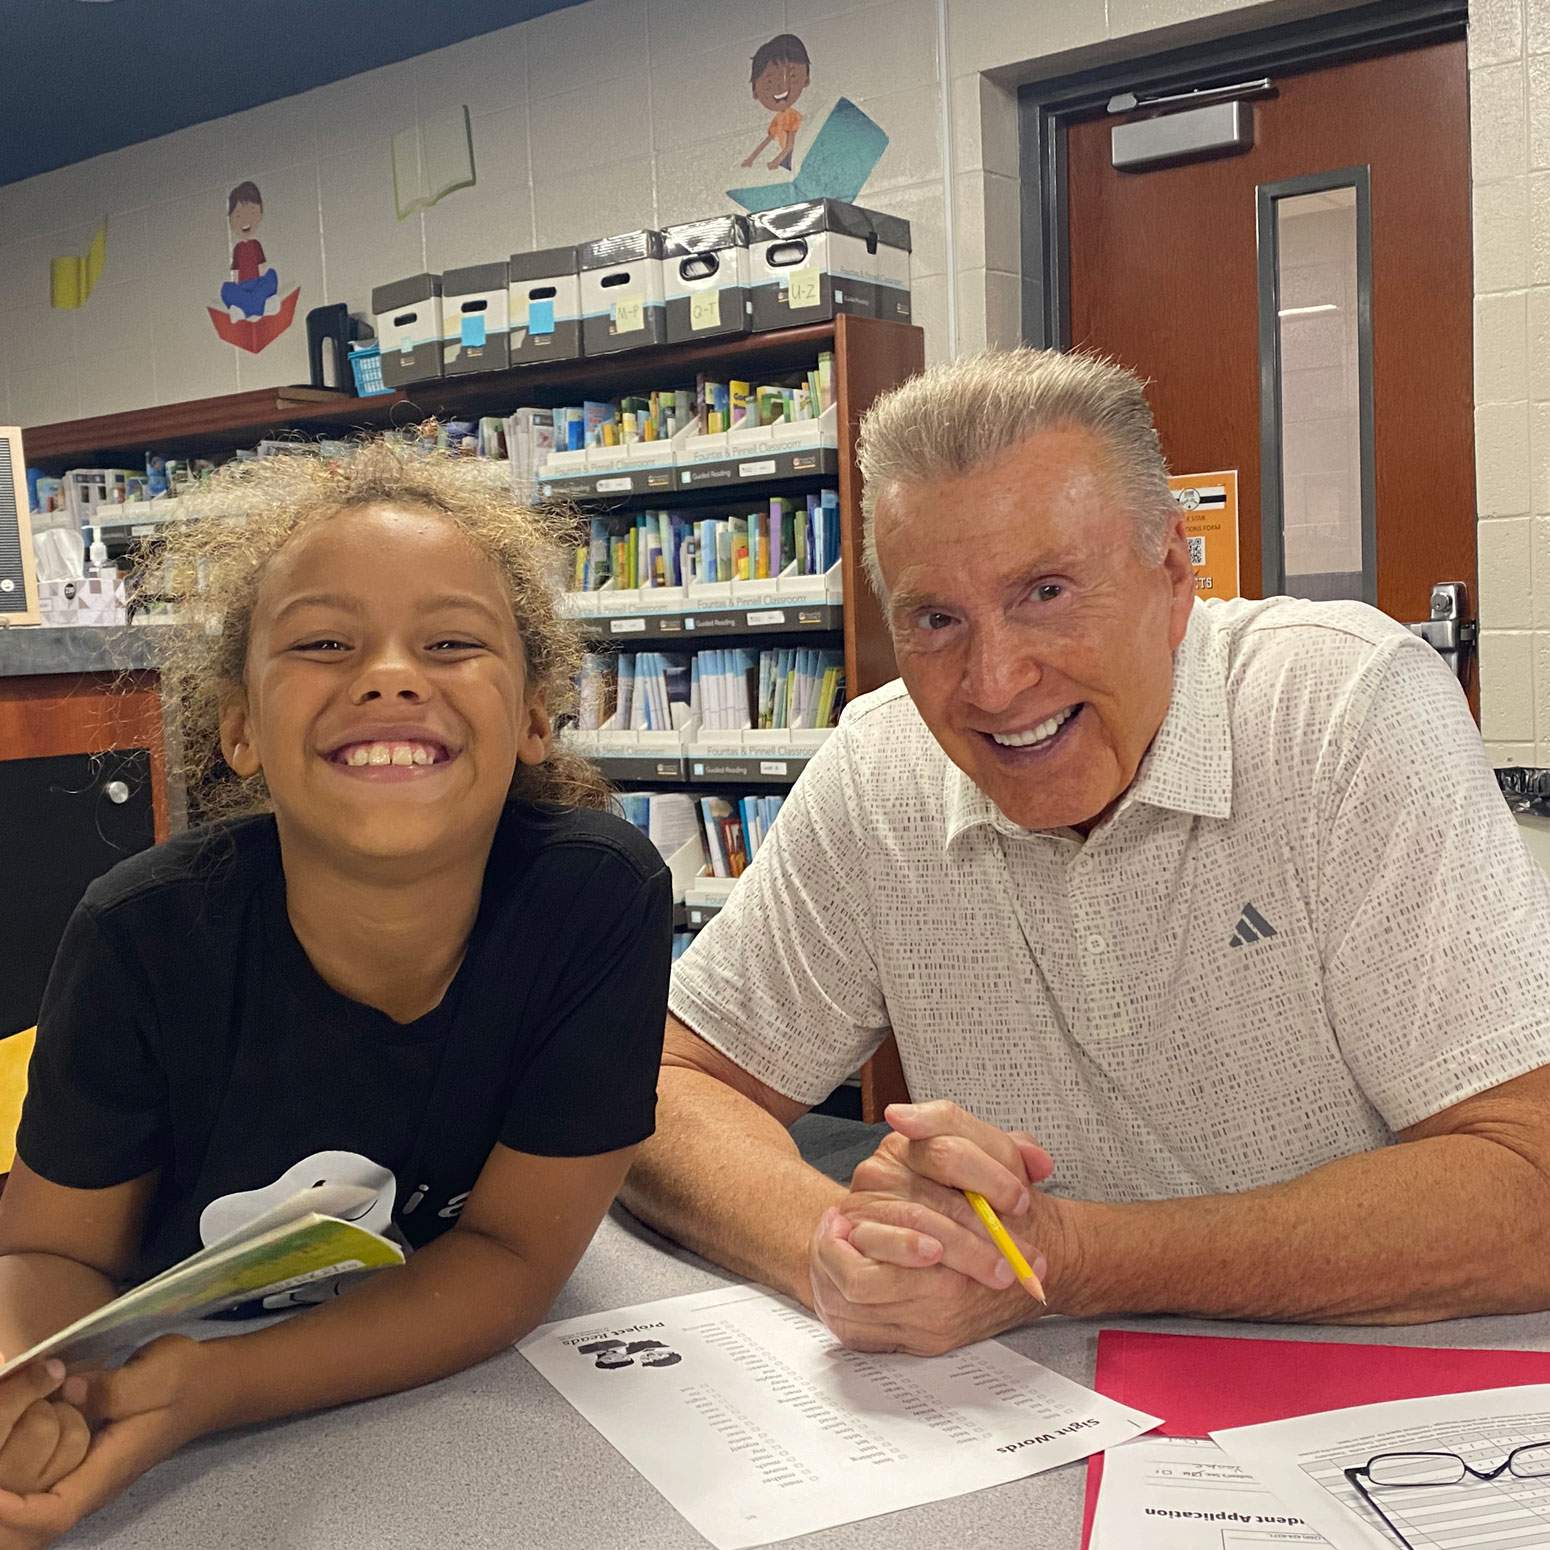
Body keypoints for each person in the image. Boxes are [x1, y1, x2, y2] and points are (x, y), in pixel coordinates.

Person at [620, 347, 1550, 1358]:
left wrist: (1062, 1257)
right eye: (935, 619)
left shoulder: (1343, 710)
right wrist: (836, 1246)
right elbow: (657, 1083)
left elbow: (1526, 1181)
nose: (993, 680)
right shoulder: (878, 765)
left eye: (1046, 591)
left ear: (1171, 572)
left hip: (1363, 1401)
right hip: (1018, 1418)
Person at [0, 440, 671, 1542]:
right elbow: (52, 1253)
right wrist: (42, 1393)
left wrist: (213, 1390)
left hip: (420, 1414)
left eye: (452, 641)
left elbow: (511, 1255)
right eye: (323, 642)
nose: (391, 674)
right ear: (239, 727)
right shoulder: (140, 935)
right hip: (164, 1414)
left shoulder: (596, 901)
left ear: (540, 715)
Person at [742, 35, 810, 171]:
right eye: (769, 81)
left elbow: (790, 145)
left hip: (800, 155)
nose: (780, 87)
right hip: (792, 159)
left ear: (806, 80)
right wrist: (751, 158)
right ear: (756, 91)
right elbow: (767, 140)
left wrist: (777, 160)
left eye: (791, 77)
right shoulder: (778, 119)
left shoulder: (791, 116)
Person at [221, 181, 278, 321]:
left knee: (271, 277)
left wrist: (261, 281)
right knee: (226, 289)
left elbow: (262, 267)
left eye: (251, 212)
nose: (245, 220)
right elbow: (235, 272)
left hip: (257, 284)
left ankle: (245, 309)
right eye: (238, 215)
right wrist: (237, 285)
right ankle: (261, 306)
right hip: (243, 287)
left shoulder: (256, 245)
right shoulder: (238, 249)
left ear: (260, 213)